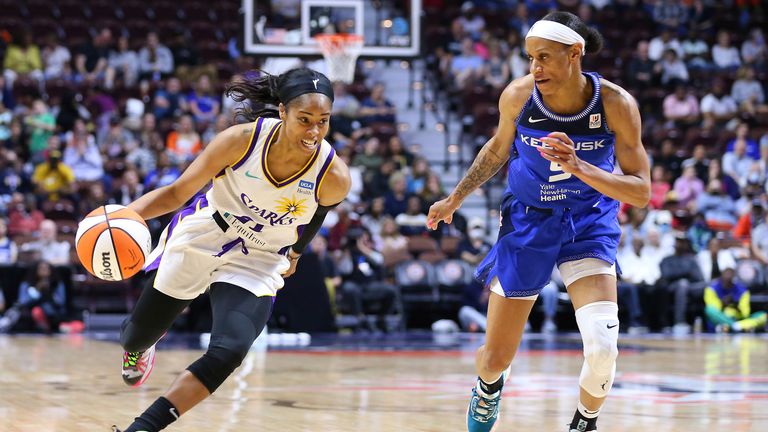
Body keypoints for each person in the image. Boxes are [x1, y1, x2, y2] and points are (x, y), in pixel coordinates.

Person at [426, 12, 650, 432]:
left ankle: (584, 422)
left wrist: (579, 166)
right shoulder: (519, 96)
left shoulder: (616, 104)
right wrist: (454, 198)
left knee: (603, 347)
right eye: (530, 58)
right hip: (528, 222)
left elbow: (640, 191)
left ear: (575, 53)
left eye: (544, 57)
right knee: (494, 359)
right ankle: (488, 389)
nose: (535, 68)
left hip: (588, 222)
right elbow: (496, 150)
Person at [112, 67, 351, 432]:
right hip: (205, 234)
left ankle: (142, 428)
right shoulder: (241, 141)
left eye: (323, 121)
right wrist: (122, 218)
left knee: (230, 350)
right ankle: (141, 345)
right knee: (136, 334)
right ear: (283, 111)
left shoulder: (333, 175)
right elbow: (178, 193)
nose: (314, 131)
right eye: (305, 119)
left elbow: (317, 214)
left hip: (260, 258)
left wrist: (297, 253)